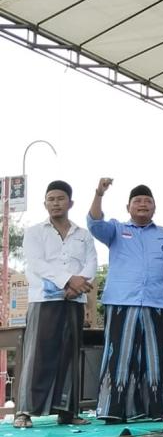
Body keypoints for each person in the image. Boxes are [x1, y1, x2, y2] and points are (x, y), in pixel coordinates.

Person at [88, 180, 163, 423]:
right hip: (122, 303)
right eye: (137, 201)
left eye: (148, 201)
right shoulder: (116, 230)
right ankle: (114, 409)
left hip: (157, 305)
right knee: (119, 355)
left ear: (155, 207)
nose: (143, 204)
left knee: (157, 357)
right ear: (128, 207)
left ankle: (158, 408)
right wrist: (99, 194)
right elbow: (95, 223)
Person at [15, 181, 97, 428]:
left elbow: (91, 263)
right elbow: (37, 263)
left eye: (60, 198)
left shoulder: (82, 234)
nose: (55, 203)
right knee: (37, 355)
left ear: (70, 202)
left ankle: (67, 411)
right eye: (50, 199)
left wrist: (77, 286)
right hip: (44, 300)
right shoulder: (34, 232)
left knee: (70, 356)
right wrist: (68, 281)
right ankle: (24, 412)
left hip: (74, 301)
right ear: (45, 204)